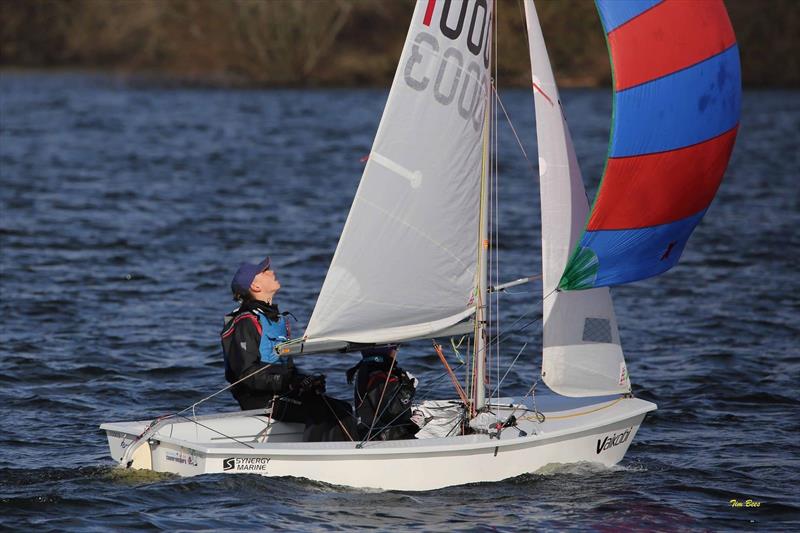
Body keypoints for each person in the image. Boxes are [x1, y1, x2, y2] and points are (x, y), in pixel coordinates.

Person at [220, 256, 354, 441]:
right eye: (265, 271)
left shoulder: (275, 319)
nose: (272, 272)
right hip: (260, 400)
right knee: (324, 412)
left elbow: (284, 370)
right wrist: (289, 381)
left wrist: (303, 380)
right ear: (255, 287)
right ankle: (315, 458)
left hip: (282, 393)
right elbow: (248, 375)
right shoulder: (245, 322)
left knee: (343, 408)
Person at [346, 345, 418, 441]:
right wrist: (409, 389)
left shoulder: (366, 370)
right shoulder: (382, 376)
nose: (396, 352)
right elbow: (392, 411)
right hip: (386, 439)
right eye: (395, 348)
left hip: (369, 435)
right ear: (389, 352)